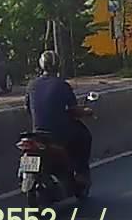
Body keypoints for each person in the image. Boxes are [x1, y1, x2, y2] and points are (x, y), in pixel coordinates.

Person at [25, 51, 93, 188]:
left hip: (37, 133)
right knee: (84, 136)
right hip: (58, 134)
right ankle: (81, 173)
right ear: (58, 66)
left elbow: (27, 109)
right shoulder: (62, 85)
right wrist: (87, 111)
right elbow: (74, 110)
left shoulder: (31, 85)